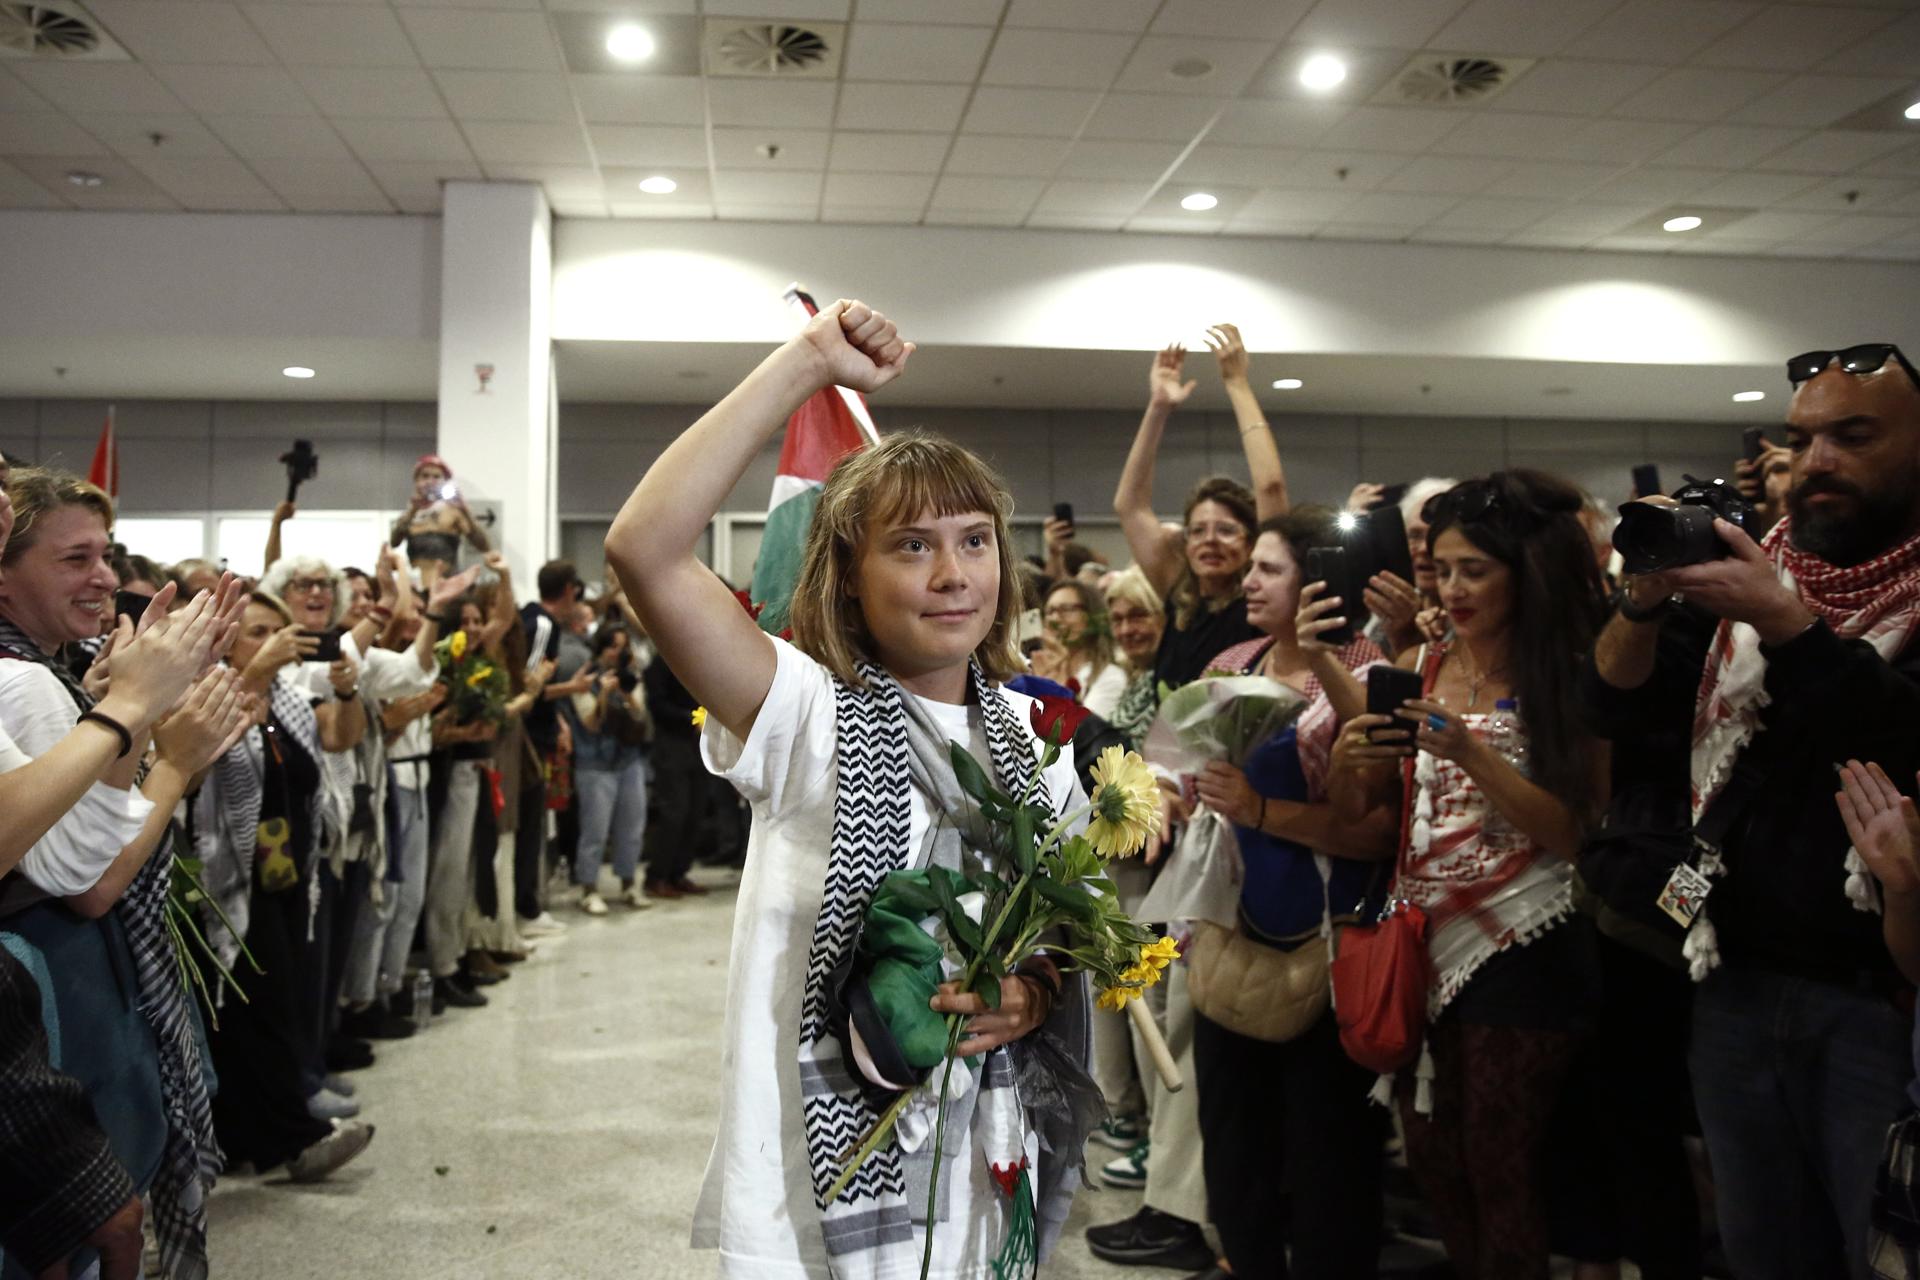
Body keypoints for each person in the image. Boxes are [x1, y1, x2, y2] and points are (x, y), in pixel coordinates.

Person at [607, 298, 1092, 1278]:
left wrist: (1031, 996)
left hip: (982, 1165)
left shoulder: (1037, 745)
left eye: (975, 540)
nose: (953, 573)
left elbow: (1065, 931)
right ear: (848, 574)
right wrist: (807, 362)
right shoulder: (802, 711)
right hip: (817, 1180)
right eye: (911, 544)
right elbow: (643, 547)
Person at [1584, 343, 1920, 1280]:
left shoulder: (1773, 597)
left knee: (1880, 1252)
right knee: (1762, 1253)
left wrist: (1784, 621)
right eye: (1802, 439)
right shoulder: (1759, 569)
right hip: (1730, 973)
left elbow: (1896, 733)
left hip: (1878, 996)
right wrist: (1641, 599)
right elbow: (1612, 707)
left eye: (1854, 436)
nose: (1817, 462)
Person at [1326, 470, 1610, 1280]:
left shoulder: (1568, 673)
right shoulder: (1418, 662)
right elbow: (1362, 811)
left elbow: (1580, 833)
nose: (1451, 589)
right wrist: (1350, 757)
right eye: (1442, 569)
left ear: (1524, 573)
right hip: (1421, 935)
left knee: (1500, 1160)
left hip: (1532, 940)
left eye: (1474, 571)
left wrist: (1473, 754)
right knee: (1433, 1157)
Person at [0, 466, 252, 1280]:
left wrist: (134, 711)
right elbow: (92, 880)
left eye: (104, 556)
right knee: (85, 1227)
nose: (105, 578)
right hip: (57, 985)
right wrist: (165, 752)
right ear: (6, 579)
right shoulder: (24, 681)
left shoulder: (50, 671)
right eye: (75, 559)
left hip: (55, 982)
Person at [1168, 509, 1398, 1280]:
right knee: (1235, 1146)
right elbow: (1189, 770)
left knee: (1328, 1156)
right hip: (1231, 927)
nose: (1250, 581)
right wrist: (1172, 790)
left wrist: (1260, 809)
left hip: (1328, 940)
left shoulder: (1365, 670)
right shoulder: (1234, 660)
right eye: (1252, 569)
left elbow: (1377, 831)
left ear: (1317, 581)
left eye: (1269, 569)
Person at [194, 591, 375, 1181]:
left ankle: (249, 1138)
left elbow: (341, 739)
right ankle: (295, 1140)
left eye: (278, 630)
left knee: (279, 1001)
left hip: (287, 870)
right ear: (224, 640)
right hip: (232, 877)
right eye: (257, 631)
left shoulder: (290, 699)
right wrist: (255, 672)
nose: (274, 641)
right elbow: (193, 765)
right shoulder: (210, 692)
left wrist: (346, 691)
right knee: (258, 1009)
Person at [1114, 324, 1286, 694]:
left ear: (1252, 542)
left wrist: (1237, 383)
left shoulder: (1259, 600)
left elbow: (1270, 486)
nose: (1210, 540)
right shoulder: (1178, 593)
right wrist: (1158, 407)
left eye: (1226, 530)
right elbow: (1130, 506)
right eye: (1198, 531)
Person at [568, 626, 651, 915]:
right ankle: (588, 888)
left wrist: (626, 692)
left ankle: (629, 883)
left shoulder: (631, 676)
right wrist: (603, 693)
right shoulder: (585, 677)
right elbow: (590, 722)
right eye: (612, 646)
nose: (617, 653)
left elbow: (640, 716)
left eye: (622, 646)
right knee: (595, 830)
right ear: (600, 648)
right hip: (594, 763)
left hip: (628, 760)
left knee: (632, 827)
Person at [1028, 578, 1127, 714]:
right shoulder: (1036, 670)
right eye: (1050, 611)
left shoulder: (1110, 677)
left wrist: (1057, 691)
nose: (1055, 619)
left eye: (1066, 610)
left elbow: (1082, 726)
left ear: (1092, 616)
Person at [391, 455, 488, 586]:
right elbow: (394, 542)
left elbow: (483, 546)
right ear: (416, 480)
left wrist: (465, 510)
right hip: (417, 583)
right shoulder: (410, 513)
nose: (430, 481)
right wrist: (412, 511)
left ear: (445, 482)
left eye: (436, 477)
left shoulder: (452, 511)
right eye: (425, 476)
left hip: (446, 582)